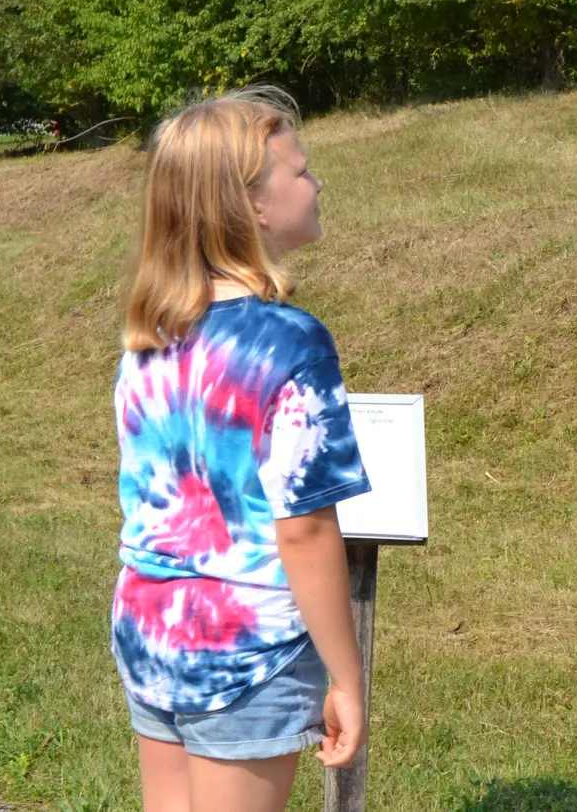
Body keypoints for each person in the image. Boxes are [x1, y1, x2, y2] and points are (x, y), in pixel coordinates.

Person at [111, 85, 372, 812]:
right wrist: (347, 682)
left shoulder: (148, 341)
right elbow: (306, 528)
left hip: (149, 627)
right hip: (246, 650)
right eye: (300, 170)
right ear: (251, 204)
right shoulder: (291, 344)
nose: (316, 183)